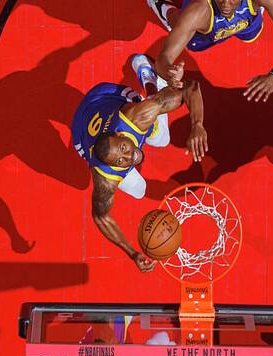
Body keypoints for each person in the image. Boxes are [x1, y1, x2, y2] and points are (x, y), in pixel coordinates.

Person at [71, 55, 207, 271]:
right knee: (139, 190)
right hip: (80, 130)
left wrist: (197, 124)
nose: (130, 158)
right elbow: (101, 217)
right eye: (121, 161)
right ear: (111, 166)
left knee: (161, 138)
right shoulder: (105, 178)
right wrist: (132, 252)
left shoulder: (136, 117)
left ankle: (149, 77)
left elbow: (190, 87)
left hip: (105, 96)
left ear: (120, 134)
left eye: (124, 149)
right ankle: (155, 88)